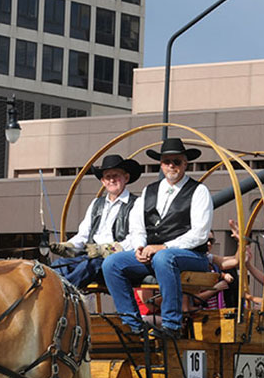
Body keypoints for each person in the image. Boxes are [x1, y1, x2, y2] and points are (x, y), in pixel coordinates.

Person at [102, 137, 213, 337]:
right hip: (154, 255)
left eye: (177, 161)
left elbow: (200, 234)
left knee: (164, 258)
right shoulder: (149, 191)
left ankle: (172, 324)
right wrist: (139, 247)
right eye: (167, 161)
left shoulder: (199, 191)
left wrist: (163, 247)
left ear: (185, 163)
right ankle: (132, 324)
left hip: (192, 256)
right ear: (161, 164)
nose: (172, 166)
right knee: (111, 263)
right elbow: (137, 227)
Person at [49, 154, 143, 287]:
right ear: (103, 181)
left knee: (90, 264)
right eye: (107, 177)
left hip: (113, 260)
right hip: (90, 256)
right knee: (58, 265)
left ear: (126, 178)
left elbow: (135, 239)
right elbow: (83, 235)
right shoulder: (96, 203)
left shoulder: (136, 203)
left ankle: (64, 294)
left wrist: (105, 249)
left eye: (115, 175)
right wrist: (67, 246)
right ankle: (55, 293)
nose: (111, 180)